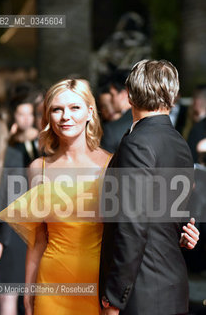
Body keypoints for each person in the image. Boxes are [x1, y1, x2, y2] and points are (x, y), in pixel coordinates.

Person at [0, 78, 198, 315]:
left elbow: (136, 227)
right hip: (50, 284)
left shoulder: (112, 164)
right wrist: (29, 291)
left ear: (90, 112)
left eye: (74, 108)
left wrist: (179, 236)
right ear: (48, 116)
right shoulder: (37, 168)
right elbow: (39, 240)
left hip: (99, 285)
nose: (65, 117)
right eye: (57, 109)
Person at [99, 60, 199, 315]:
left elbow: (132, 224)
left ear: (130, 95)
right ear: (173, 95)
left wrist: (114, 297)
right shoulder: (179, 143)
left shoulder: (137, 143)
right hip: (173, 286)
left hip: (141, 292)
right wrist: (184, 232)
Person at [0, 117, 26, 315]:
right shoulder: (13, 155)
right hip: (11, 237)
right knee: (8, 299)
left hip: (3, 234)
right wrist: (0, 240)